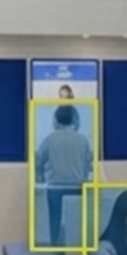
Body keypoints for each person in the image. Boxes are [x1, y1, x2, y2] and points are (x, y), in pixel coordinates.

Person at [35, 104, 92, 245]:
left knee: (54, 222)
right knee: (76, 223)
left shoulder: (49, 140)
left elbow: (38, 163)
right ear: (73, 119)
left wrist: (41, 178)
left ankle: (56, 250)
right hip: (77, 188)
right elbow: (87, 167)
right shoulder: (83, 140)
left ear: (55, 120)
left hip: (54, 188)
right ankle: (75, 251)